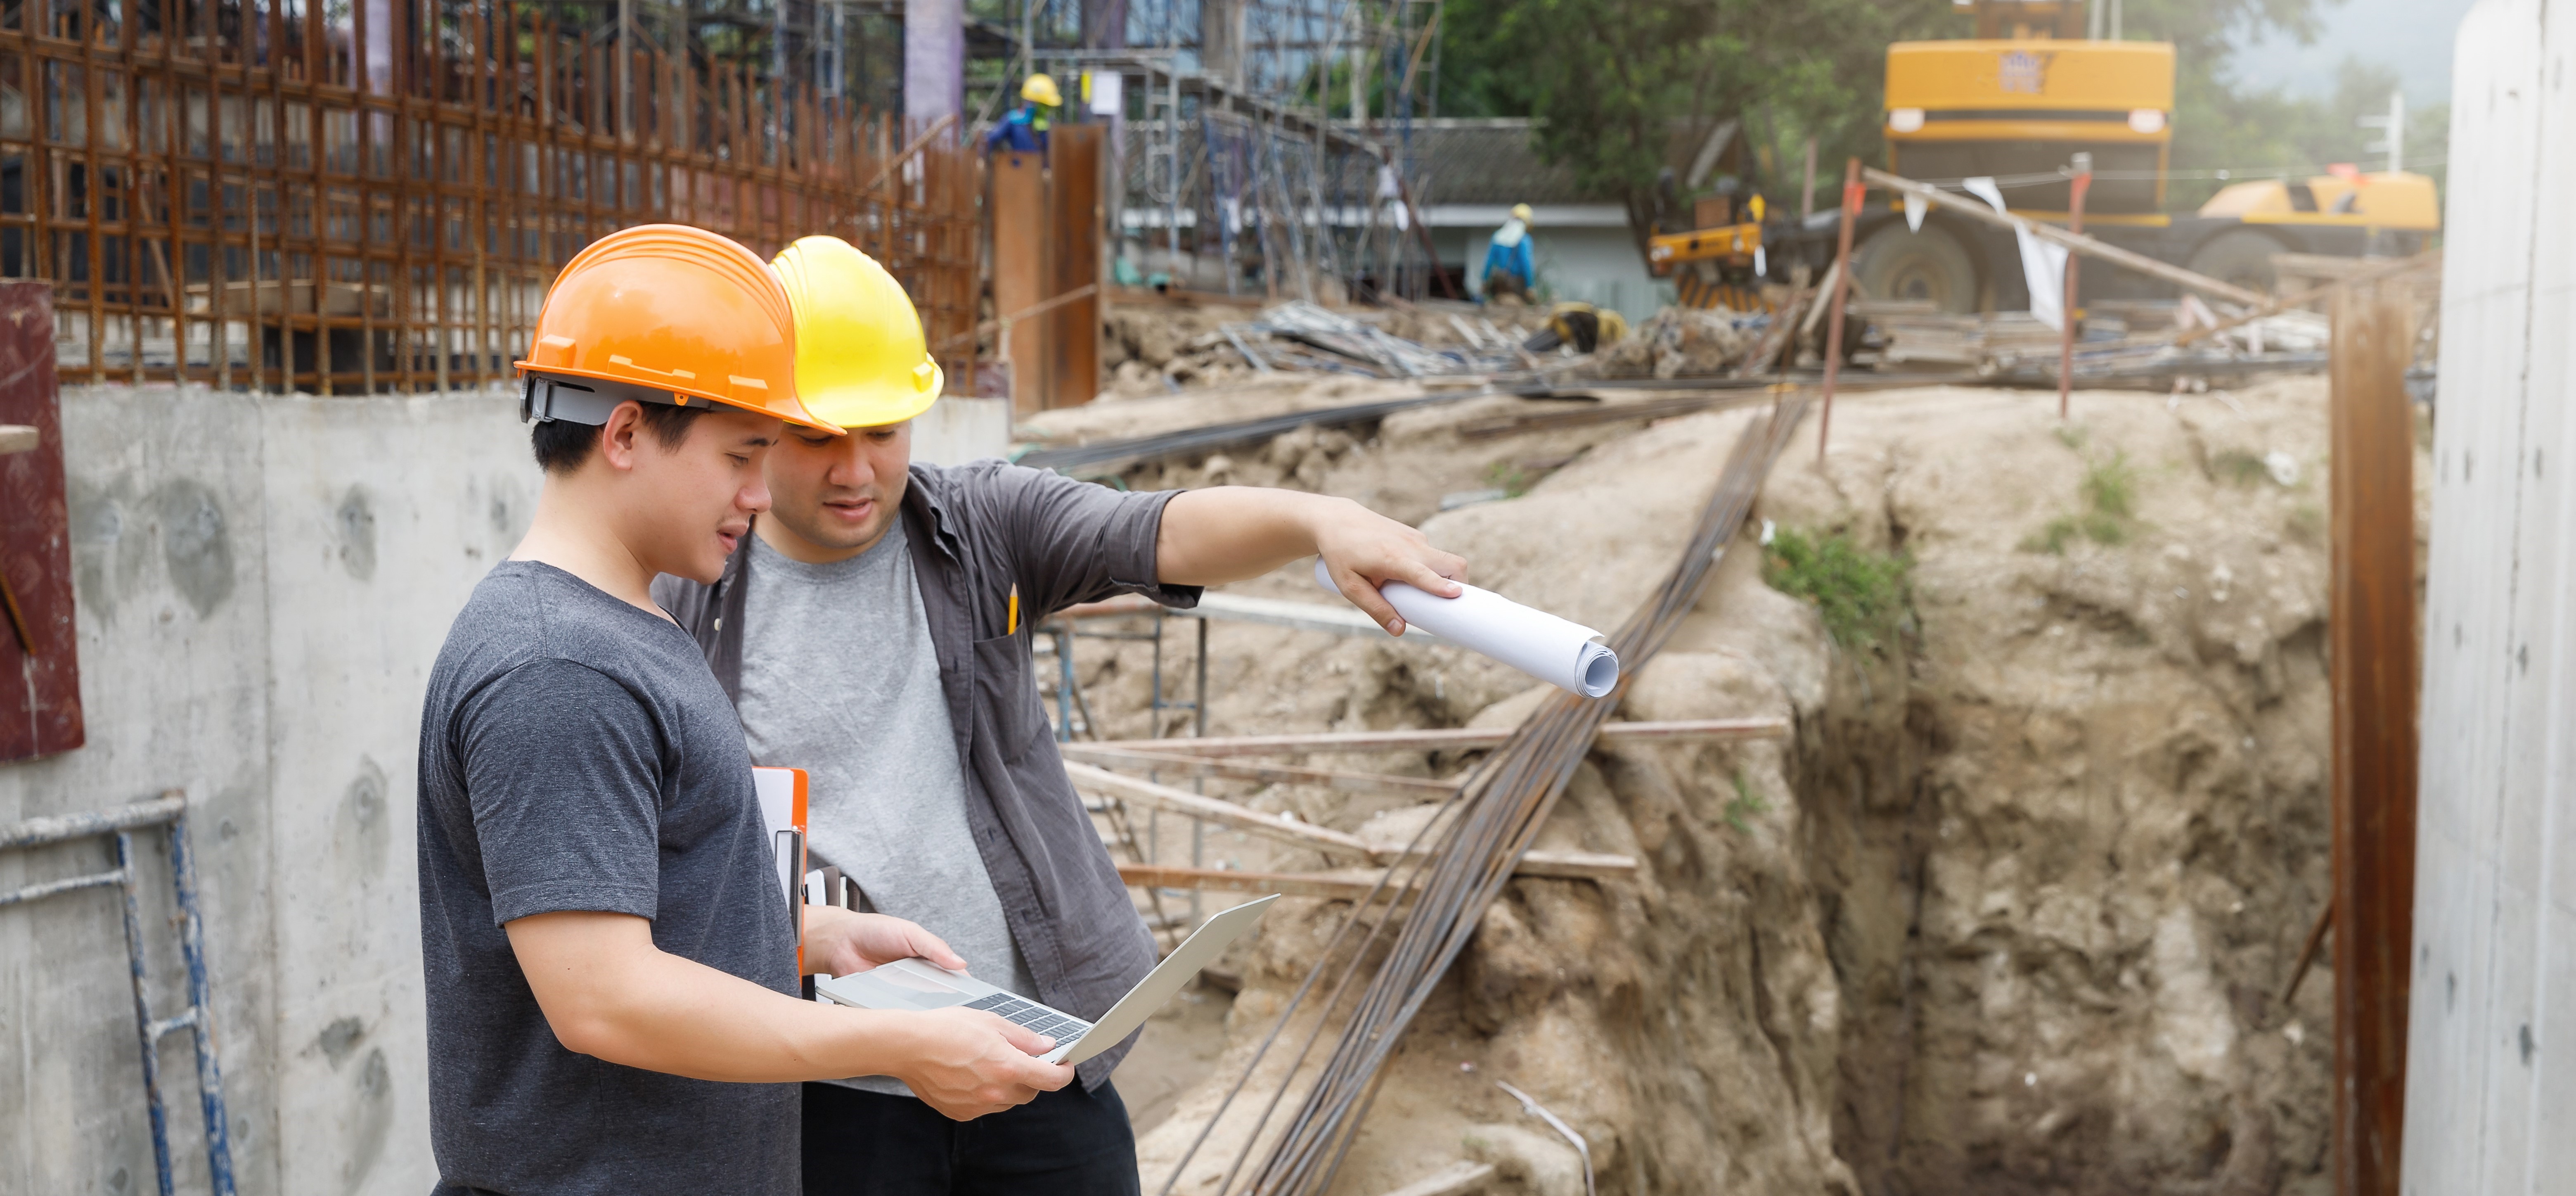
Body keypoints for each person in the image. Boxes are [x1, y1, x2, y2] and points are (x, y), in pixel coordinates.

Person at [652, 235, 1470, 1196]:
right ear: (760, 425)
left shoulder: (979, 528)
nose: (856, 468)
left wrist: (1313, 522)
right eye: (820, 435)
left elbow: (1152, 530)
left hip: (1036, 1055)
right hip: (835, 1090)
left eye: (883, 431)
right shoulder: (689, 595)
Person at [416, 225, 1077, 1196]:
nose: (761, 495)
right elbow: (605, 997)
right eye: (741, 455)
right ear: (628, 431)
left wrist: (802, 935)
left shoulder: (620, 624)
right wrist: (894, 1040)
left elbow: (636, 908)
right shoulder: (559, 667)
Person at [984, 74, 1061, 155]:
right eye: (1045, 105)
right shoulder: (1013, 120)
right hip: (1019, 166)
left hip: (1039, 167)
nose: (1048, 109)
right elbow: (990, 140)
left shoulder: (1051, 125)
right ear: (1033, 102)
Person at [1482, 202, 1537, 303]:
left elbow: (1489, 262)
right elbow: (1526, 264)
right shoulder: (1524, 240)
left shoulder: (1498, 237)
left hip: (1500, 285)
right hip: (1516, 287)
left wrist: (1484, 282)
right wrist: (1530, 286)